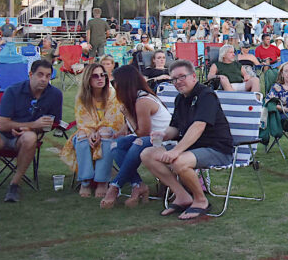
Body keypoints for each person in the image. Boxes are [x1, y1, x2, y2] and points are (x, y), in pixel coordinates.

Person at [142, 60, 235, 220]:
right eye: (174, 79)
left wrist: (176, 151)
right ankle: (182, 196)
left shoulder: (206, 95)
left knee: (179, 161)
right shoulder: (180, 99)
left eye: (181, 77)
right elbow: (176, 128)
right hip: (192, 149)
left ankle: (200, 201)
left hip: (217, 149)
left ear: (193, 76)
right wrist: (163, 135)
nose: (178, 82)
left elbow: (198, 126)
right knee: (147, 154)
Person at [0, 60, 62, 204]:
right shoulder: (13, 91)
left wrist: (32, 129)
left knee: (30, 137)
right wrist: (31, 124)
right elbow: (2, 124)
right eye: (40, 75)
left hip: (26, 138)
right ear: (30, 74)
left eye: (48, 76)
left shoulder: (55, 95)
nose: (44, 79)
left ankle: (14, 185)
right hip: (1, 136)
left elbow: (53, 123)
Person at [100, 65, 171, 209]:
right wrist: (118, 133)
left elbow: (143, 133)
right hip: (150, 137)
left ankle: (115, 186)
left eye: (115, 83)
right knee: (116, 145)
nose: (114, 86)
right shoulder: (136, 98)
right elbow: (131, 129)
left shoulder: (143, 101)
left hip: (165, 139)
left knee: (137, 143)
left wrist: (127, 115)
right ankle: (138, 184)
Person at [71, 62, 126, 197]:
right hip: (88, 130)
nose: (100, 78)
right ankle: (85, 181)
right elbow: (82, 120)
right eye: (95, 76)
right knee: (82, 137)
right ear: (88, 79)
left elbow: (115, 119)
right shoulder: (81, 98)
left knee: (105, 134)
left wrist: (99, 131)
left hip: (110, 131)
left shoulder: (112, 94)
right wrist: (90, 132)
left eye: (103, 75)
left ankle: (102, 181)